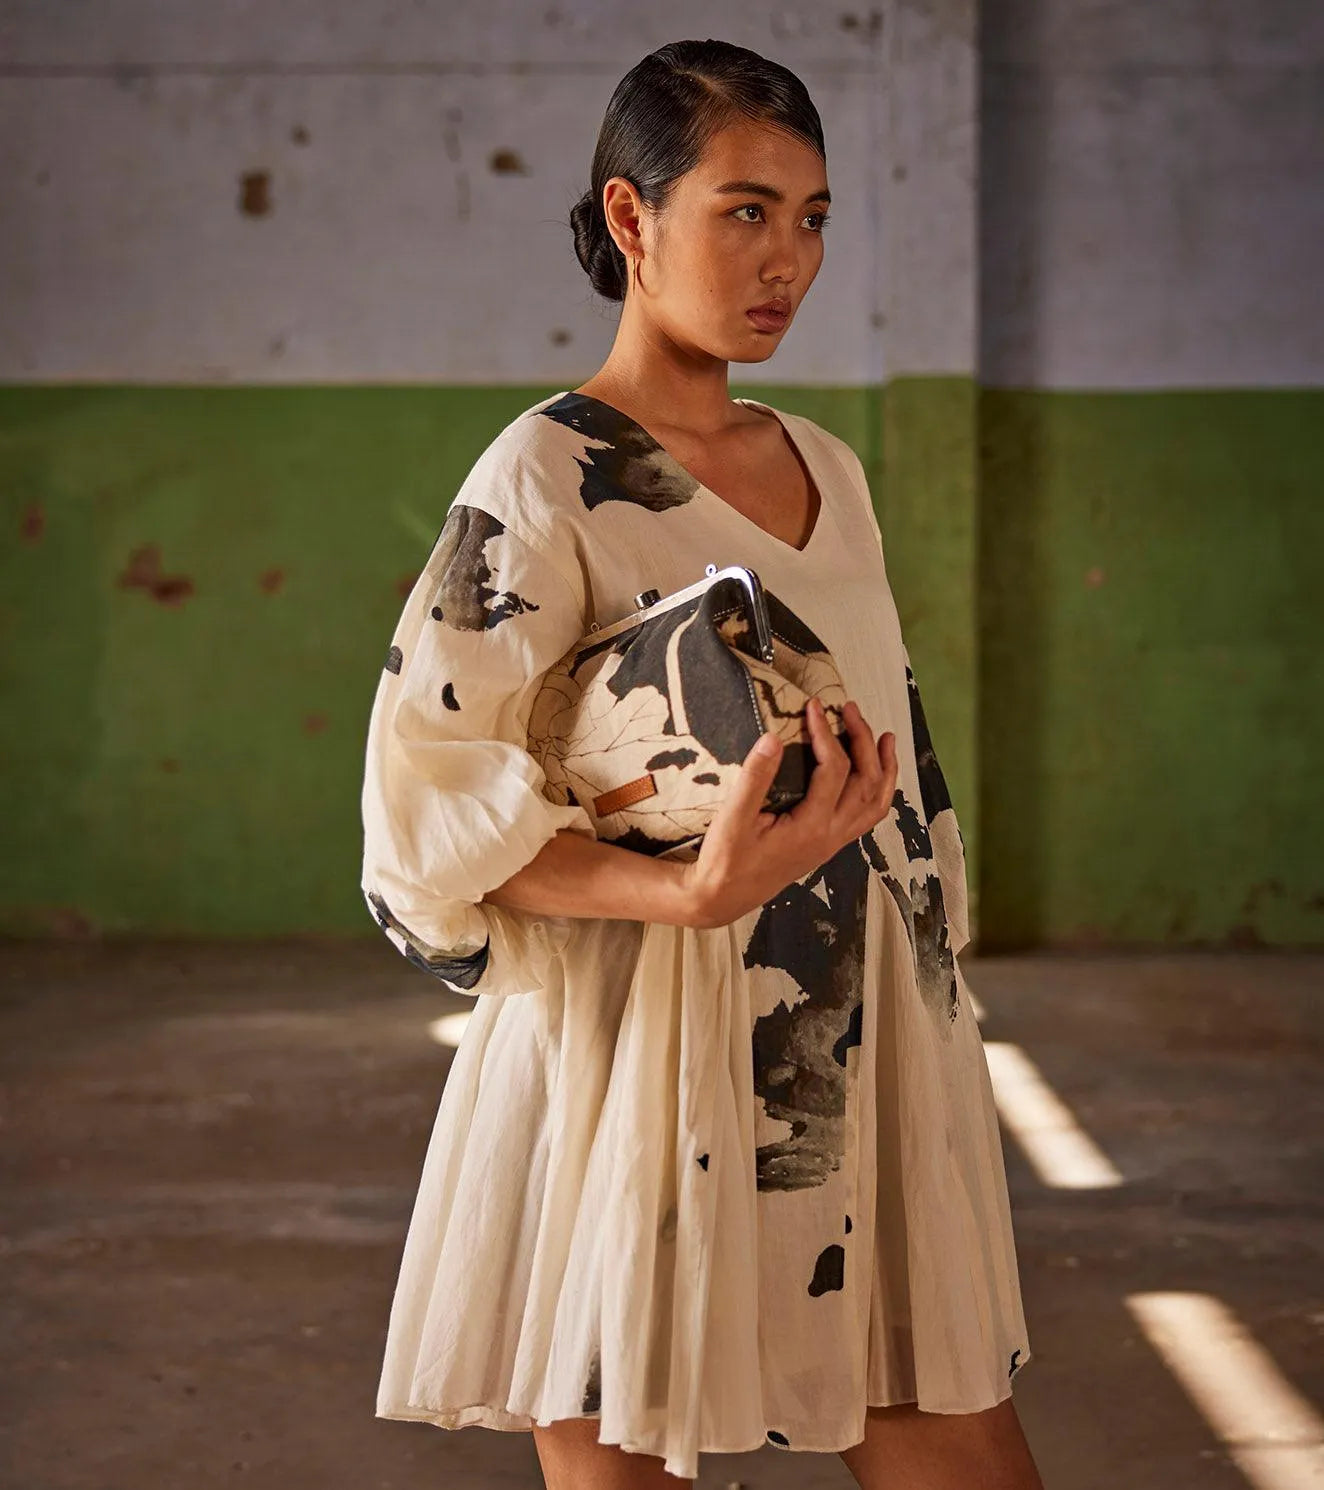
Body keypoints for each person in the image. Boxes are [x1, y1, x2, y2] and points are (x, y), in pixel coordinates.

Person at [360, 37, 1043, 1490]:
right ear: (631, 216)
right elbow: (425, 809)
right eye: (744, 210)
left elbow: (898, 763)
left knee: (957, 1435)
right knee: (624, 1445)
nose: (787, 258)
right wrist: (687, 894)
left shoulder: (827, 466)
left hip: (850, 1040)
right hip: (635, 1054)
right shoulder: (543, 477)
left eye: (812, 217)